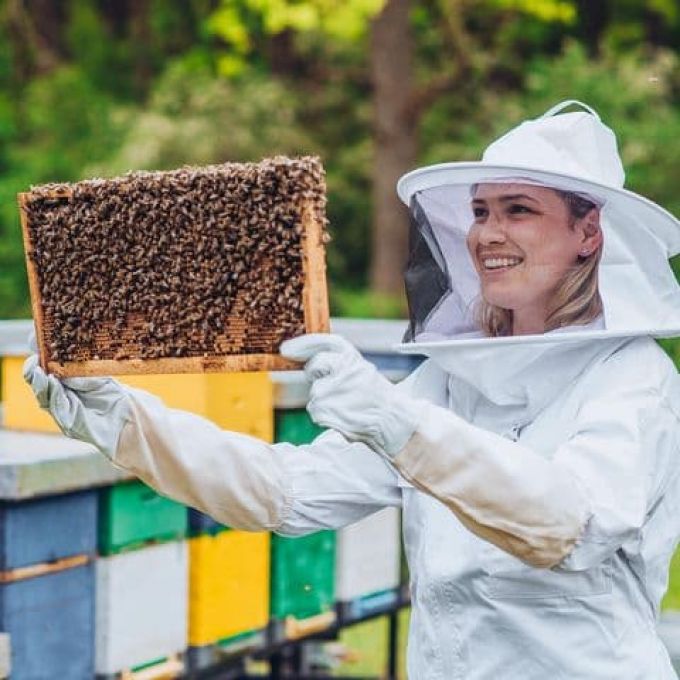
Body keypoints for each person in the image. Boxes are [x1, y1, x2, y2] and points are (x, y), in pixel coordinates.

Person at [24, 101, 680, 679]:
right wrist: (122, 420)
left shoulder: (632, 381)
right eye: (480, 210)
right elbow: (286, 493)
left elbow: (568, 526)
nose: (488, 234)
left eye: (520, 210)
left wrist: (399, 425)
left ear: (587, 233)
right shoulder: (452, 383)